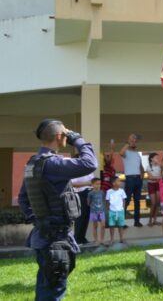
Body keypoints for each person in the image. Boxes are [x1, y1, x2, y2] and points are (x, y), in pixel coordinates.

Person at [18, 119, 97, 300]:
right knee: (54, 290)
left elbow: (23, 197)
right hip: (56, 240)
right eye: (66, 133)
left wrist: (38, 219)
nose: (68, 135)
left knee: (47, 285)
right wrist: (77, 139)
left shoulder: (33, 163)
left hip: (42, 236)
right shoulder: (53, 164)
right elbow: (89, 164)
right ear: (59, 136)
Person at [116, 133, 144, 227]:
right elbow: (121, 153)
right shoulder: (126, 152)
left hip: (138, 179)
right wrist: (129, 142)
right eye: (132, 139)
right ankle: (121, 222)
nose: (134, 141)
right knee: (127, 200)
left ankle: (137, 221)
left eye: (135, 140)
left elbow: (141, 166)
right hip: (130, 178)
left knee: (137, 201)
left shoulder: (137, 154)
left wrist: (142, 175)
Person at [70, 173, 93, 245]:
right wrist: (87, 183)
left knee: (86, 217)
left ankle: (82, 237)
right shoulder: (77, 171)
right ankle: (76, 238)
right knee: (80, 217)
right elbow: (72, 183)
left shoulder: (89, 171)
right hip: (80, 193)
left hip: (89, 193)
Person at [105, 177, 127, 244]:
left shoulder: (121, 191)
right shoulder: (109, 191)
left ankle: (121, 238)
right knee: (112, 226)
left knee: (121, 225)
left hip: (120, 211)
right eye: (118, 181)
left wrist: (123, 207)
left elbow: (124, 200)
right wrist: (108, 208)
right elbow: (107, 201)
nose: (120, 182)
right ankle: (112, 239)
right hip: (112, 211)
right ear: (113, 183)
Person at [87, 178, 105, 246]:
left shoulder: (102, 192)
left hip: (101, 211)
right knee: (95, 226)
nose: (98, 185)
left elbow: (103, 200)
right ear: (92, 185)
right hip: (94, 212)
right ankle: (96, 240)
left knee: (103, 225)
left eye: (99, 184)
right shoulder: (90, 193)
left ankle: (102, 240)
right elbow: (88, 203)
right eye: (97, 184)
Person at [146, 153, 161, 227]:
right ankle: (150, 220)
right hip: (151, 185)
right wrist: (158, 178)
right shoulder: (148, 167)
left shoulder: (159, 167)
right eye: (156, 158)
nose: (157, 159)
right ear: (151, 158)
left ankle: (155, 220)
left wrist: (155, 178)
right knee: (153, 203)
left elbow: (162, 176)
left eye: (158, 158)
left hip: (158, 185)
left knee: (158, 203)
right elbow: (150, 177)